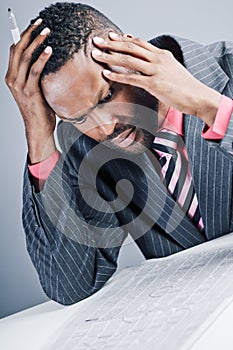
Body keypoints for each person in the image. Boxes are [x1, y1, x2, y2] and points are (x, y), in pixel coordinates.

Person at [5, 2, 233, 305]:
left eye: (107, 96)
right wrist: (38, 131)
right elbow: (69, 284)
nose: (106, 128)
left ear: (128, 50)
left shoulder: (227, 67)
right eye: (79, 117)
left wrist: (210, 108)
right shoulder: (87, 149)